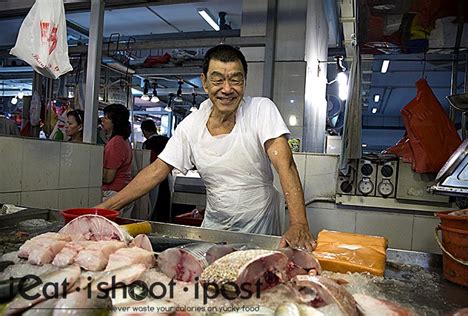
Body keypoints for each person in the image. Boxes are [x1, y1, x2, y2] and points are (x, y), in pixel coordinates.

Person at [96, 45, 314, 251]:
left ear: (245, 82)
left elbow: (285, 164)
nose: (227, 89)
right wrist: (105, 208)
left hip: (260, 224)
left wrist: (298, 223)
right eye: (218, 80)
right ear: (205, 82)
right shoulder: (192, 125)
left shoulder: (261, 110)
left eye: (235, 80)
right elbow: (156, 171)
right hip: (214, 225)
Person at [101, 104, 134, 217]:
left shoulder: (116, 142)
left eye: (106, 117)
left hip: (113, 194)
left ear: (115, 121)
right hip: (123, 192)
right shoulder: (124, 140)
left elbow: (109, 178)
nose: (102, 120)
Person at [140, 119, 170, 221]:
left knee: (152, 205)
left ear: (145, 131)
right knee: (164, 204)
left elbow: (146, 163)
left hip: (151, 177)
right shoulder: (167, 140)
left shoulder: (148, 143)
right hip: (167, 178)